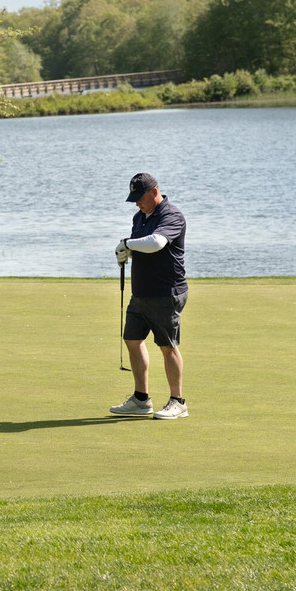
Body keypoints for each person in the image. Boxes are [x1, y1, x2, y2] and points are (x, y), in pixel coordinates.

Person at [110, 173, 189, 420]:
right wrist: (127, 253)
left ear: (154, 192)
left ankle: (178, 402)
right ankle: (141, 399)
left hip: (166, 292)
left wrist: (127, 243)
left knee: (167, 346)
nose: (136, 203)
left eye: (140, 198)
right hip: (141, 293)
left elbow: (157, 243)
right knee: (132, 339)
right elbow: (141, 246)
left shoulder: (171, 215)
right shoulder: (139, 217)